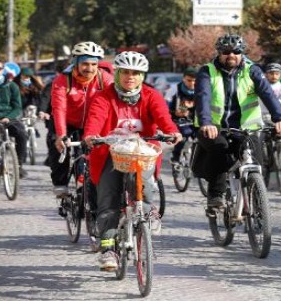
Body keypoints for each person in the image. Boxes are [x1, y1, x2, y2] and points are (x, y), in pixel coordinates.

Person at [82, 51, 182, 271]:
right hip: (110, 153)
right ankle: (108, 248)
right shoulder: (103, 96)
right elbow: (95, 119)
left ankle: (147, 213)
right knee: (108, 196)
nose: (130, 77)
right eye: (125, 72)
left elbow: (163, 117)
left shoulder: (151, 95)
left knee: (144, 183)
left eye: (136, 73)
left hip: (142, 151)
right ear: (117, 74)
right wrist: (91, 136)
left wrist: (171, 131)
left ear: (142, 76)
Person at [192, 34, 281, 209]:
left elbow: (268, 95)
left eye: (236, 51)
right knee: (219, 151)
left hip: (247, 128)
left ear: (242, 53)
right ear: (219, 53)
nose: (231, 55)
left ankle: (257, 201)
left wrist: (280, 118)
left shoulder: (253, 71)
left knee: (256, 163)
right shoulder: (207, 71)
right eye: (226, 51)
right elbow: (203, 98)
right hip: (215, 128)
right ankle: (216, 195)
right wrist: (206, 122)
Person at [50, 41, 114, 197]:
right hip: (66, 122)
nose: (90, 68)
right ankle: (60, 184)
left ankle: (87, 184)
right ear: (76, 63)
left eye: (94, 64)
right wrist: (61, 135)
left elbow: (115, 102)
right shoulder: (62, 80)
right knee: (59, 148)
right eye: (85, 63)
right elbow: (59, 108)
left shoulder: (104, 78)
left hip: (92, 123)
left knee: (92, 153)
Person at [0, 56, 28, 177]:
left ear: (3, 70)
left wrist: (8, 117)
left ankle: (18, 165)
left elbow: (17, 107)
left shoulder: (12, 86)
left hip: (9, 118)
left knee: (22, 134)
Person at [169, 67, 199, 165]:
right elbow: (166, 107)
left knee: (202, 137)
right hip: (180, 120)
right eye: (189, 80)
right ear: (183, 79)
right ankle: (176, 157)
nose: (192, 84)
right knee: (184, 136)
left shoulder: (202, 90)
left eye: (195, 81)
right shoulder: (175, 89)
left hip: (196, 120)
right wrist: (175, 112)